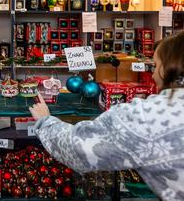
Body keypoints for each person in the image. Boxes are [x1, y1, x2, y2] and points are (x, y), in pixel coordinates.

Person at [29, 32, 184, 201]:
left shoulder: (148, 116)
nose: (152, 75)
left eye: (155, 65)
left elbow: (78, 148)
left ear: (169, 68)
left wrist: (46, 121)